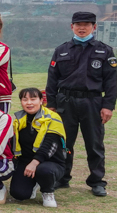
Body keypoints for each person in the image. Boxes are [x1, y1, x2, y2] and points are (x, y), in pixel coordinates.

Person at [46, 11, 115, 197]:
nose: (82, 28)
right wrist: (51, 104)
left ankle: (97, 181)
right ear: (72, 27)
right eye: (78, 24)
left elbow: (111, 81)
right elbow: (52, 79)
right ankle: (62, 177)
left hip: (92, 102)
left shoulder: (105, 51)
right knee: (64, 142)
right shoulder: (61, 50)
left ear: (94, 27)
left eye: (87, 24)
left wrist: (108, 105)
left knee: (94, 143)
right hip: (65, 102)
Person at [9, 88, 67, 208]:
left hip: (51, 161)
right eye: (25, 99)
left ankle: (47, 191)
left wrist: (34, 163)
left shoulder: (53, 117)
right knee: (18, 194)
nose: (29, 103)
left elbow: (50, 145)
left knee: (44, 170)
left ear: (41, 100)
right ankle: (34, 183)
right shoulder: (19, 119)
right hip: (26, 161)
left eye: (33, 99)